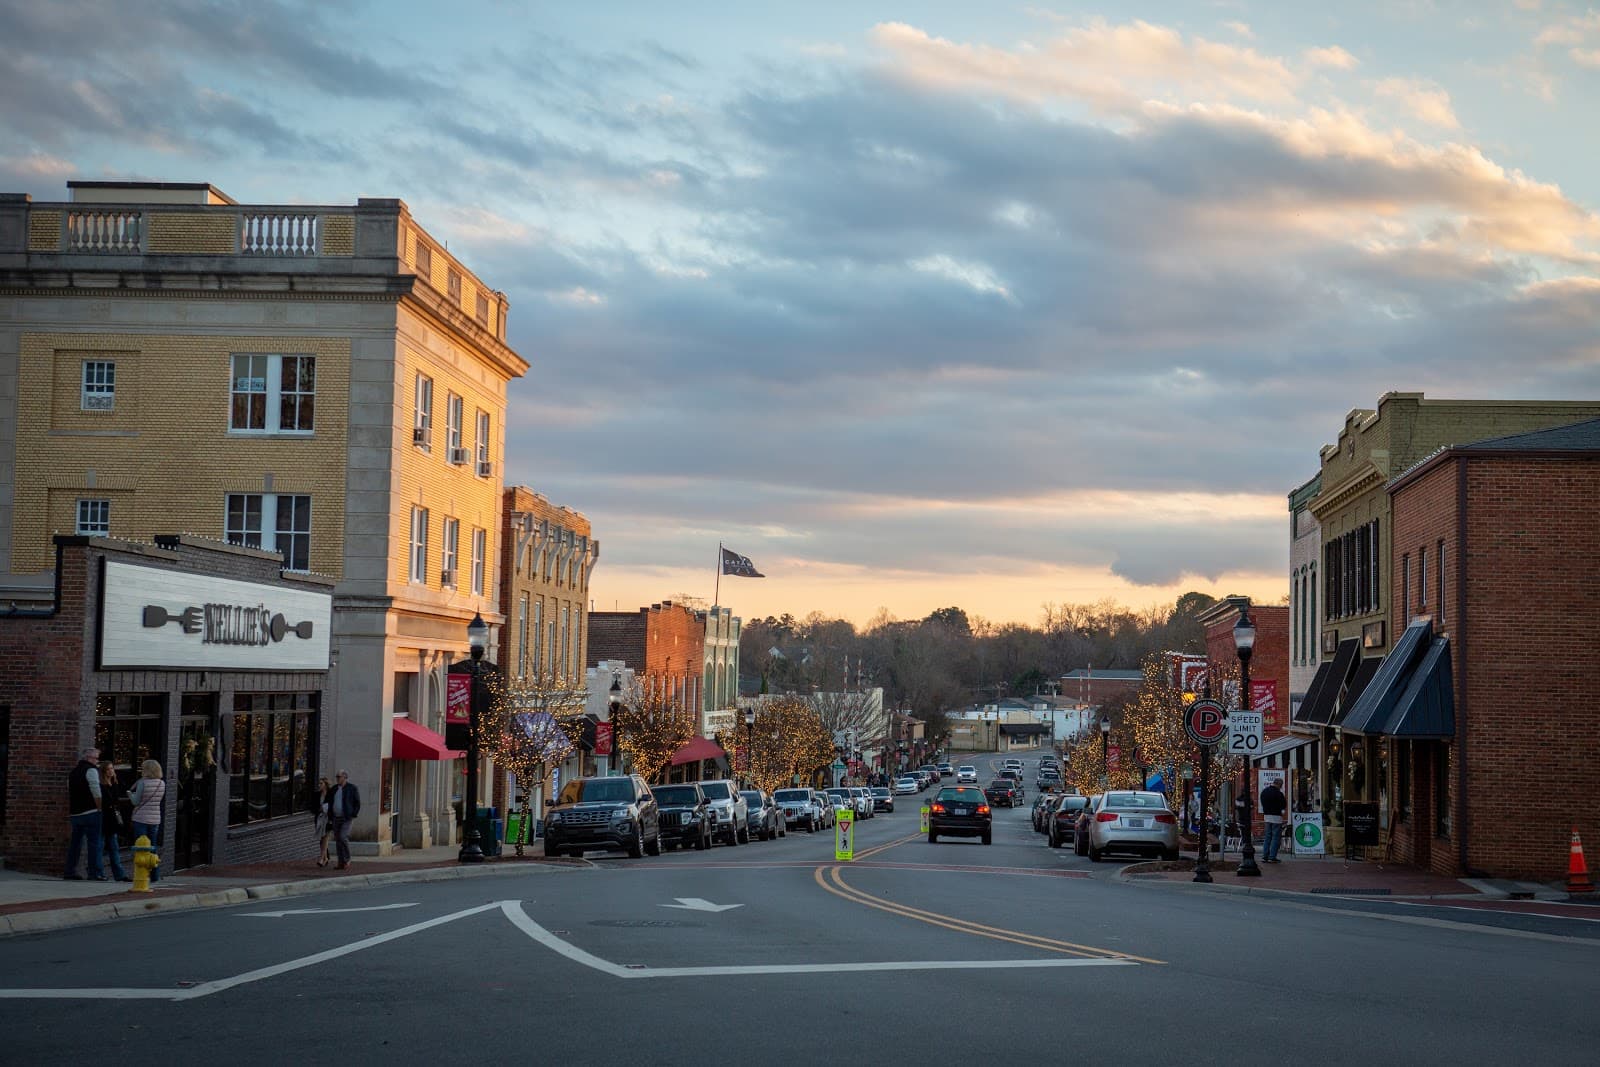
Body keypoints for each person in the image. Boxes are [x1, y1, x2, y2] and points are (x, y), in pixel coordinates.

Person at [64, 747, 106, 880]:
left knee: (75, 844)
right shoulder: (91, 770)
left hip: (75, 813)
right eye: (96, 758)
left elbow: (69, 790)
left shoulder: (73, 772)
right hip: (91, 811)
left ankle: (69, 871)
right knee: (94, 843)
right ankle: (94, 873)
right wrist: (99, 807)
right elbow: (96, 790)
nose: (97, 761)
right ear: (89, 758)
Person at [128, 760, 166, 882]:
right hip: (155, 819)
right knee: (152, 847)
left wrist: (129, 794)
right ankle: (155, 875)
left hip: (141, 818)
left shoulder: (143, 783)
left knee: (141, 847)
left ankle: (141, 874)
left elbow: (135, 801)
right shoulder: (161, 784)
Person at [99, 760, 132, 882]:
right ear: (103, 771)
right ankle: (99, 872)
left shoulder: (115, 783)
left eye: (112, 768)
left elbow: (116, 801)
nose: (111, 771)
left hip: (112, 819)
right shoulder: (101, 785)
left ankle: (119, 874)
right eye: (108, 769)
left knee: (114, 847)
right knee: (100, 846)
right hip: (104, 819)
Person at [327, 770, 361, 870]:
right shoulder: (334, 789)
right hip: (336, 818)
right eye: (336, 777)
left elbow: (357, 803)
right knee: (338, 840)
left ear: (345, 777)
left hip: (346, 818)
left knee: (343, 837)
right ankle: (341, 862)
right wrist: (330, 816)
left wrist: (353, 814)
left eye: (339, 777)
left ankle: (347, 859)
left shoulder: (352, 788)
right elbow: (329, 802)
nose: (337, 778)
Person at [1260, 778, 1288, 863]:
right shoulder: (1279, 794)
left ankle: (1265, 855)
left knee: (1267, 836)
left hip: (1267, 816)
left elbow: (1262, 802)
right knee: (1276, 837)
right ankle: (1272, 856)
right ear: (1279, 784)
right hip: (1276, 817)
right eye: (1281, 785)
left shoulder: (1264, 792)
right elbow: (1283, 804)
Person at [314, 776, 334, 868]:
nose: (319, 785)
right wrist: (319, 809)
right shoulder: (317, 795)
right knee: (321, 840)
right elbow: (313, 807)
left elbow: (333, 806)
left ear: (325, 785)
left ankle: (321, 858)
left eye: (321, 783)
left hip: (328, 819)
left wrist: (326, 808)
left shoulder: (330, 794)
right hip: (319, 819)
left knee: (325, 838)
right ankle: (326, 858)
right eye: (319, 783)